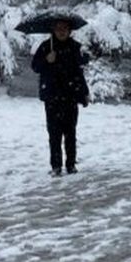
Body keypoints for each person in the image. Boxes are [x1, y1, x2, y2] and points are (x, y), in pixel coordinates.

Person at [31, 19, 90, 176]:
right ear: (53, 30)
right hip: (52, 97)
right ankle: (56, 166)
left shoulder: (76, 47)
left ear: (70, 30)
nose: (61, 31)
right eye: (58, 29)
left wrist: (84, 92)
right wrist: (46, 60)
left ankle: (71, 164)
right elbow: (35, 66)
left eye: (65, 28)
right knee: (54, 134)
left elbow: (81, 69)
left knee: (70, 133)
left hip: (70, 95)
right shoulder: (45, 47)